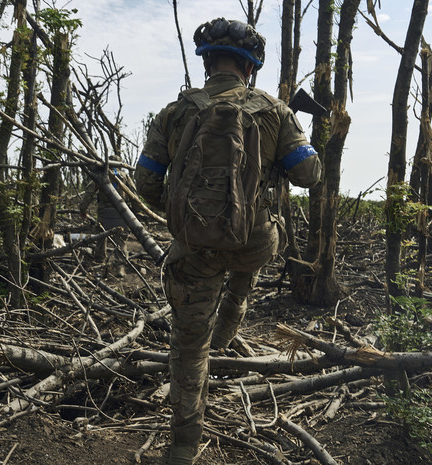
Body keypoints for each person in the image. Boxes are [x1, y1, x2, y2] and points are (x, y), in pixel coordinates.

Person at [134, 18, 322, 465]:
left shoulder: (174, 112)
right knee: (250, 252)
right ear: (250, 67)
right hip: (255, 241)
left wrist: (184, 216)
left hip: (196, 248)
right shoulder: (275, 111)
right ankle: (233, 313)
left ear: (207, 63)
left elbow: (145, 182)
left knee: (187, 348)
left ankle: (182, 449)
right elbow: (308, 175)